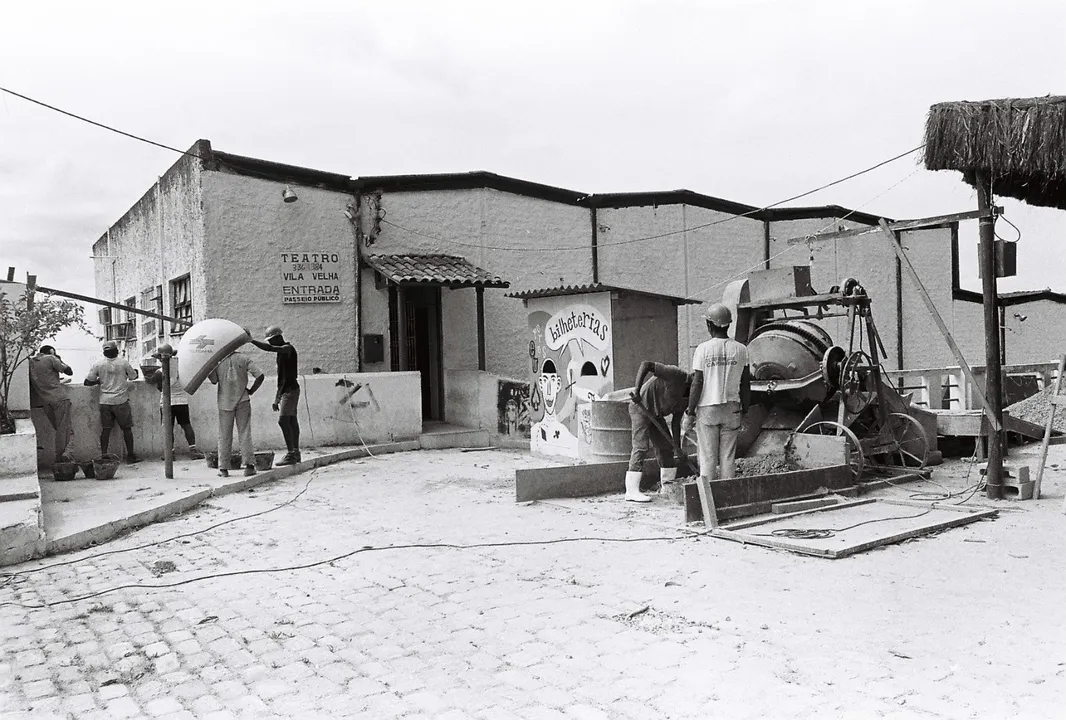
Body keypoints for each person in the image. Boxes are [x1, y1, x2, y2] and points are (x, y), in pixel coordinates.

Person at [682, 303, 750, 489]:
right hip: (732, 408)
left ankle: (709, 500)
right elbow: (745, 384)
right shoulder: (741, 349)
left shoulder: (703, 350)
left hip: (708, 409)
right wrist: (746, 408)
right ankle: (727, 495)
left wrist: (690, 412)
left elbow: (697, 383)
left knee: (708, 456)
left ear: (709, 325)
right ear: (728, 325)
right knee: (728, 456)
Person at [624, 361, 691, 503]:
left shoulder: (690, 398)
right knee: (641, 446)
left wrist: (677, 448)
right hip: (640, 408)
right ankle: (631, 491)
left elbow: (675, 422)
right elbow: (645, 364)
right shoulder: (675, 374)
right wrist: (637, 390)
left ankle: (668, 488)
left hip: (656, 414)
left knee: (666, 447)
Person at [248, 326, 301, 465]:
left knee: (283, 421)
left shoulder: (288, 349)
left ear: (278, 337)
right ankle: (296, 453)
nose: (271, 343)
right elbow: (282, 378)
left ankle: (291, 454)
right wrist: (277, 398)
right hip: (288, 390)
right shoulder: (281, 352)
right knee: (291, 420)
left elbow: (269, 349)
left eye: (271, 340)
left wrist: (251, 340)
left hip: (290, 390)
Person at [208, 349, 264, 478]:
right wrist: (251, 391)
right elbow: (260, 376)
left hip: (224, 402)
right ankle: (249, 466)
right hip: (243, 399)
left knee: (224, 435)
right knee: (244, 432)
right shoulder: (244, 358)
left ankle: (223, 468)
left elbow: (213, 380)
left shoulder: (217, 360)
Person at [84, 340, 140, 463]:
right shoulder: (123, 363)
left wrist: (100, 381)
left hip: (105, 401)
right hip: (121, 400)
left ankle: (104, 455)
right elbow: (133, 377)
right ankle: (130, 456)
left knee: (106, 429)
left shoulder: (98, 364)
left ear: (104, 352)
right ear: (117, 351)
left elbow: (88, 381)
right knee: (127, 429)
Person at [149, 363, 205, 460]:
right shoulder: (183, 370)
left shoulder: (159, 372)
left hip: (166, 402)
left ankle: (170, 453)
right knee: (186, 425)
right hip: (182, 401)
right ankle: (193, 451)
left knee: (168, 429)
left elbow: (160, 388)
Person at [29, 345, 74, 461]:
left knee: (59, 430)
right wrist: (58, 359)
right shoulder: (50, 358)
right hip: (59, 398)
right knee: (65, 430)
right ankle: (63, 456)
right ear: (51, 352)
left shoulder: (31, 363)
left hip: (44, 401)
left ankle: (61, 458)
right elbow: (69, 372)